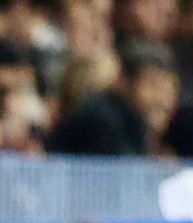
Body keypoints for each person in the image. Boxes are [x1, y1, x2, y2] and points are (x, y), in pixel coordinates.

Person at [48, 44, 179, 154]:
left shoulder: (136, 122)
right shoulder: (101, 120)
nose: (162, 99)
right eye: (153, 86)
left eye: (168, 90)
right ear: (124, 82)